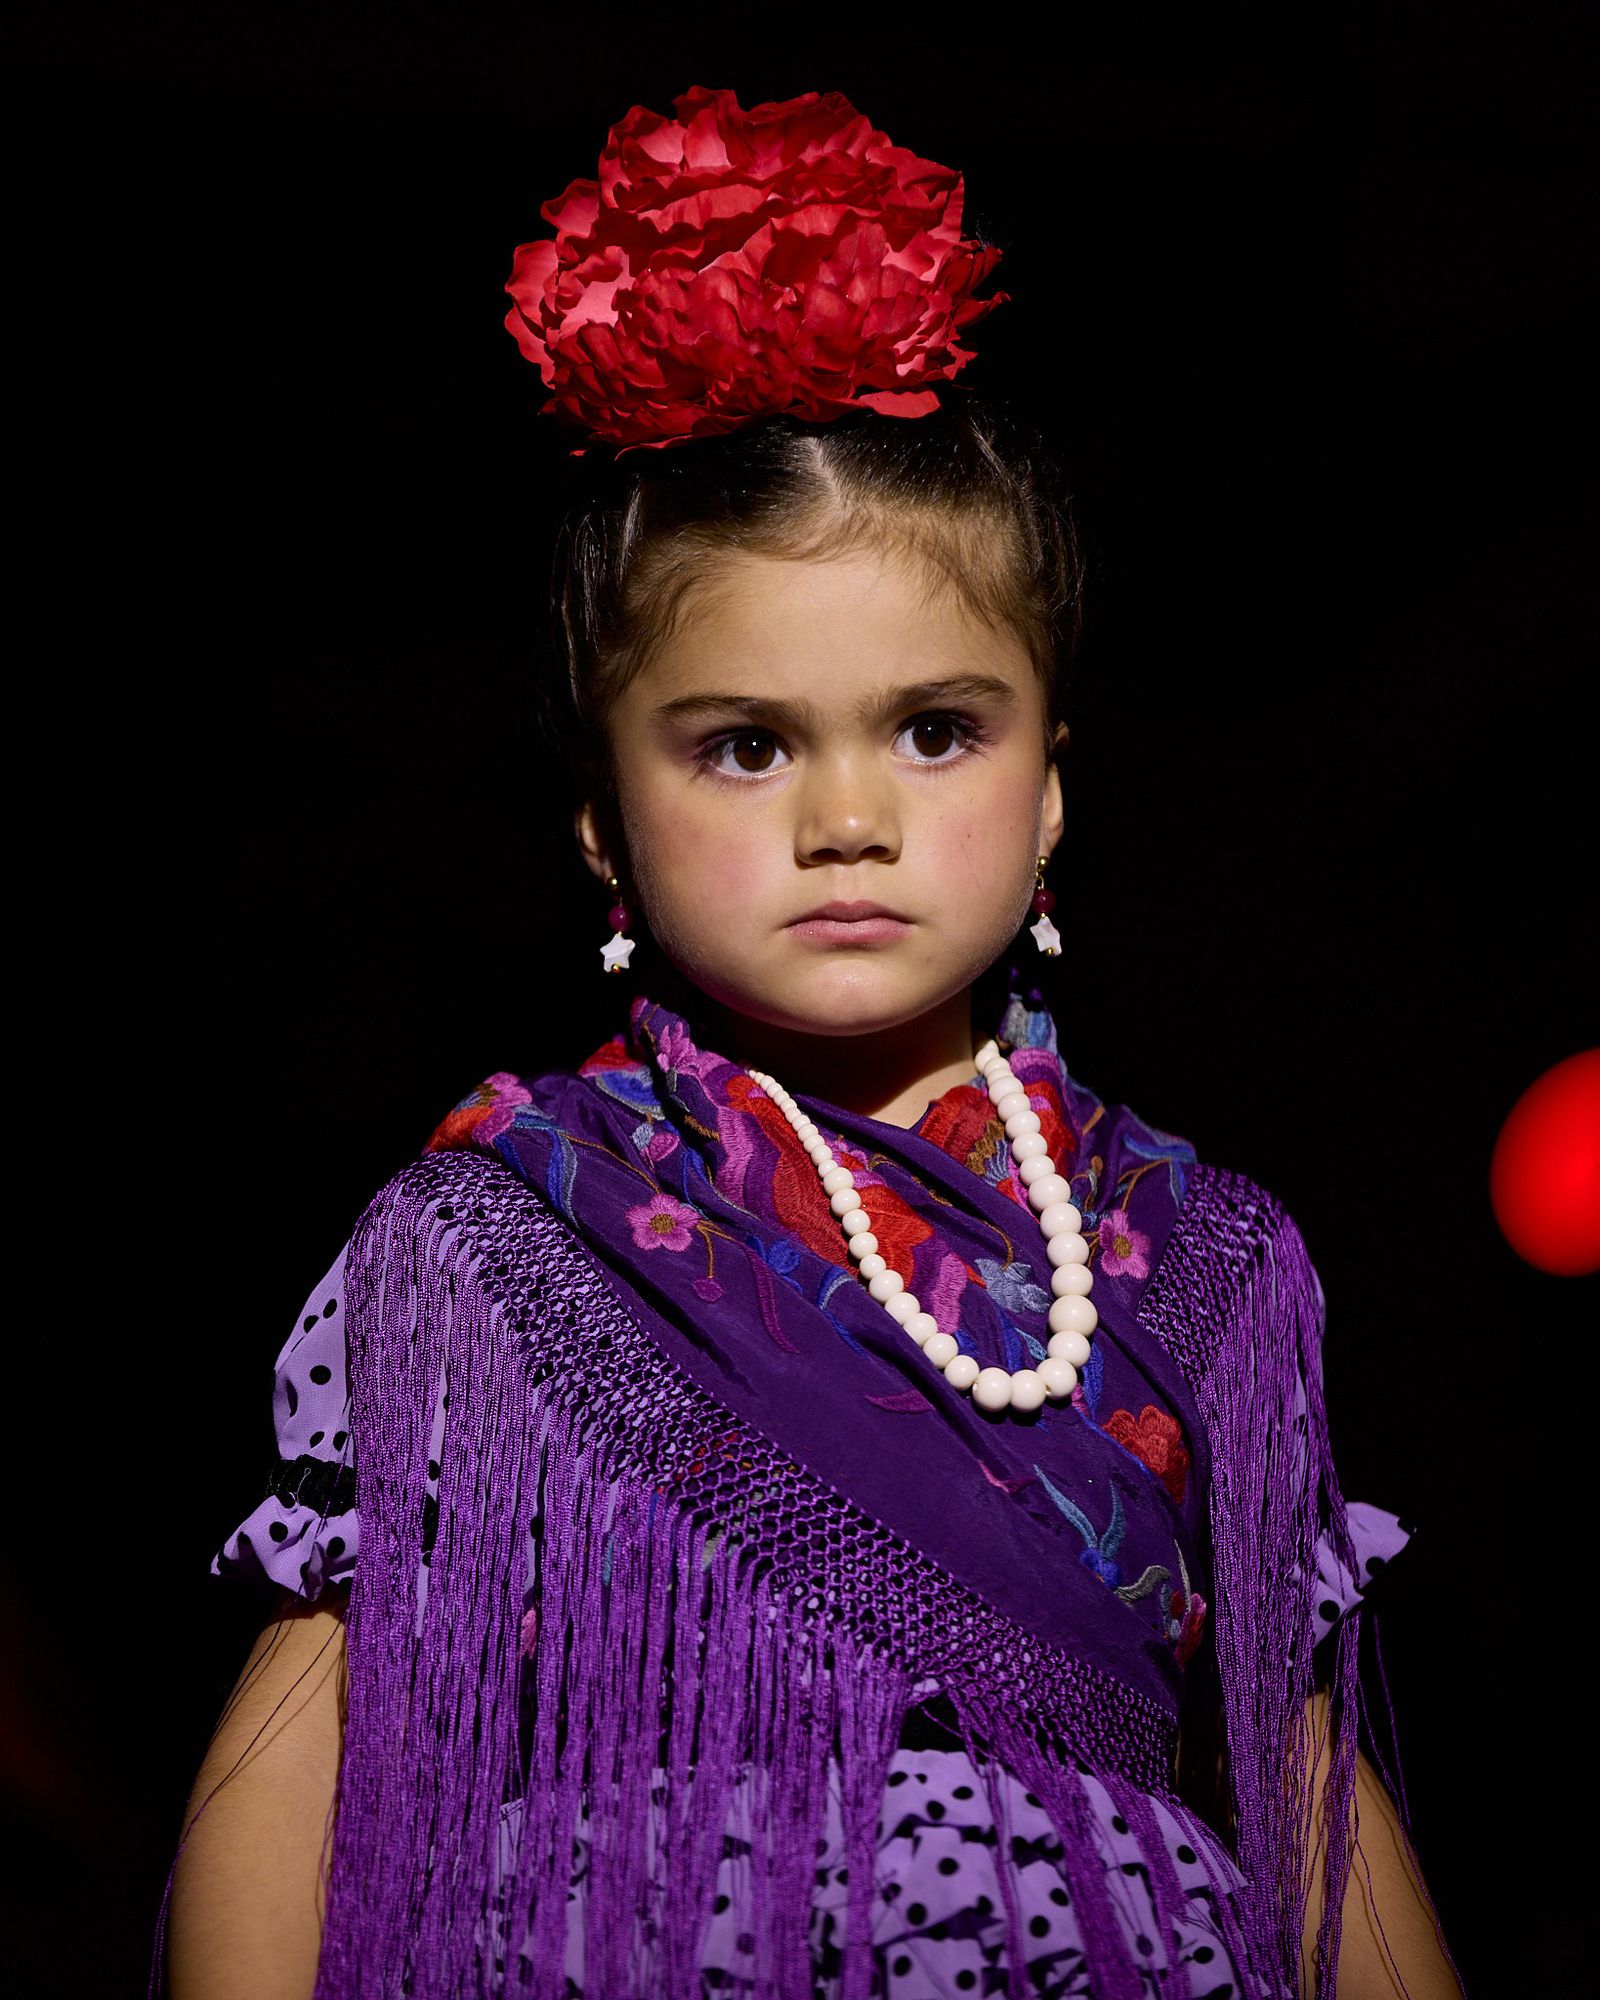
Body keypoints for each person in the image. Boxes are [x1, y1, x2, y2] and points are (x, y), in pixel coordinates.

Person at [159, 85, 1464, 2000]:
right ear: (604, 821)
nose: (846, 815)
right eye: (745, 743)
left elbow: (1310, 1792)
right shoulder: (494, 1249)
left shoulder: (1203, 1263)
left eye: (937, 727)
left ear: (1050, 795)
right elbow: (294, 1770)